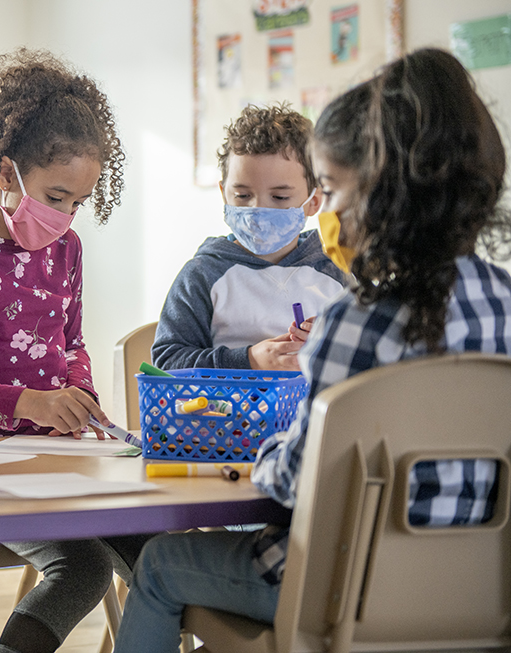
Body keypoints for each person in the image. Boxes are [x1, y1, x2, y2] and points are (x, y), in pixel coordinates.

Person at [113, 48, 511, 653]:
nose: (326, 212)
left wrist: (270, 449)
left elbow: (295, 481)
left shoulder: (353, 323)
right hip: (477, 589)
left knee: (162, 563)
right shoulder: (504, 301)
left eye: (327, 190)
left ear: (377, 195)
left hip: (343, 586)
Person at [0, 48, 148, 653]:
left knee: (161, 553)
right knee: (83, 569)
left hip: (58, 457)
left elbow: (71, 343)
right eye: (55, 195)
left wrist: (81, 393)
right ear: (6, 171)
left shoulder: (67, 250)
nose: (64, 217)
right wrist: (31, 404)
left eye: (77, 203)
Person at [152, 103, 345, 371]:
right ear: (223, 193)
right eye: (242, 196)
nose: (256, 210)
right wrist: (249, 360)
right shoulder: (203, 275)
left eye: (279, 197)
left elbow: (369, 351)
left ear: (314, 201)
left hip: (315, 411)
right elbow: (167, 363)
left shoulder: (336, 269)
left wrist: (332, 345)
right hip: (226, 412)